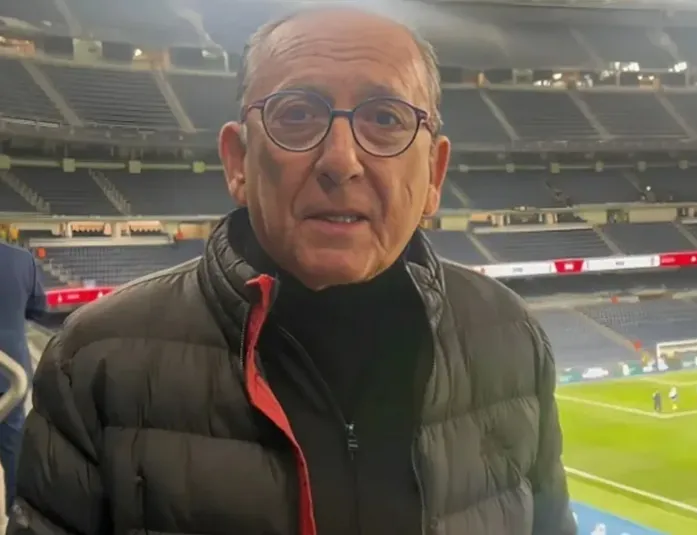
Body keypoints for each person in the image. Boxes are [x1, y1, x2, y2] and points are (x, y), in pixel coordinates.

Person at [10, 7, 575, 535]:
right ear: (237, 162)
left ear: (434, 174)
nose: (340, 160)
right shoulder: (96, 361)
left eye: (385, 118)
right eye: (297, 115)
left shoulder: (509, 336)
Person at [0, 242, 46, 515]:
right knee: (13, 447)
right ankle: (17, 516)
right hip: (11, 373)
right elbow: (38, 308)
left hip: (11, 372)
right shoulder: (21, 259)